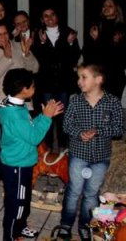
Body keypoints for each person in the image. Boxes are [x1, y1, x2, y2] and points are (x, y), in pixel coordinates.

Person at [0, 68, 63, 241]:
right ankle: (11, 236)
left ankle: (21, 227)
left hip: (22, 162)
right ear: (23, 89)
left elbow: (29, 128)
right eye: (32, 86)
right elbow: (34, 137)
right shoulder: (14, 115)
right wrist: (46, 118)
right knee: (16, 204)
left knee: (23, 199)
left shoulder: (16, 105)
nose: (35, 88)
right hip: (17, 165)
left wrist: (44, 116)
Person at [58, 64, 124, 241]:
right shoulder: (75, 101)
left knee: (92, 193)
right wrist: (80, 133)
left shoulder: (112, 102)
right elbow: (66, 125)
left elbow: (119, 129)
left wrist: (97, 131)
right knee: (74, 191)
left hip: (101, 158)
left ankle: (85, 226)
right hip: (78, 155)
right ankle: (65, 225)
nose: (79, 81)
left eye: (83, 77)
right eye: (78, 77)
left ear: (98, 80)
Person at [0, 21, 39, 181]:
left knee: (20, 139)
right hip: (0, 105)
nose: (3, 37)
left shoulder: (18, 46)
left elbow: (34, 68)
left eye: (5, 33)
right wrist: (6, 57)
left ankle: (17, 166)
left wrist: (27, 54)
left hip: (22, 103)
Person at [32, 7, 81, 151]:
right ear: (42, 19)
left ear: (57, 16)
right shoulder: (38, 34)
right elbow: (39, 59)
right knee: (46, 115)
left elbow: (74, 58)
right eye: (45, 16)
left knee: (62, 115)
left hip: (63, 82)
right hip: (46, 82)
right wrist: (42, 43)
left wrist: (70, 43)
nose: (49, 18)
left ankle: (62, 147)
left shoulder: (68, 32)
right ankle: (46, 148)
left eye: (52, 15)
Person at [82, 0, 126, 97]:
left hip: (115, 77)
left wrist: (117, 44)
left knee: (112, 105)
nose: (106, 8)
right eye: (104, 6)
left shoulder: (122, 30)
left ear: (117, 10)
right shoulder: (95, 27)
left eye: (110, 6)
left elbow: (120, 58)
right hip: (97, 75)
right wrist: (95, 40)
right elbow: (86, 53)